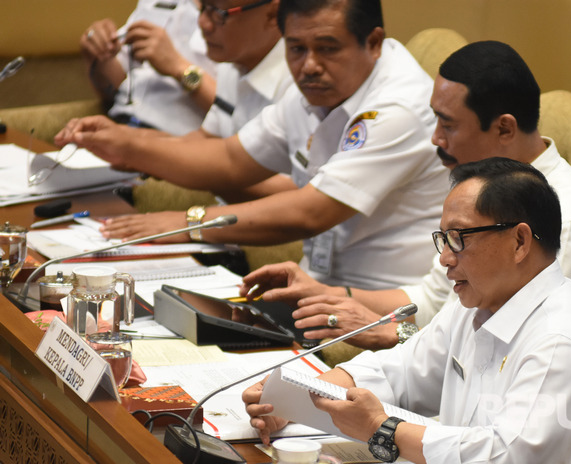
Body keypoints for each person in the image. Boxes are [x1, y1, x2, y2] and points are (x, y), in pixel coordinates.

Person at [243, 158, 571, 464]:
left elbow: (507, 460)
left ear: (519, 242)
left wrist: (384, 429)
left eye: (459, 238)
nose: (446, 257)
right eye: (443, 238)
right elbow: (400, 373)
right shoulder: (476, 303)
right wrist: (291, 400)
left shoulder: (562, 338)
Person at [238, 40, 571, 349]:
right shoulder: (483, 190)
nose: (435, 139)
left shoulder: (565, 220)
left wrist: (390, 333)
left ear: (505, 129)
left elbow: (495, 347)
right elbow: (431, 301)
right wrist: (325, 293)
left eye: (448, 125)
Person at [56, 0, 446, 291]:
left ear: (373, 42)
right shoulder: (318, 89)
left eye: (327, 48)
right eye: (296, 49)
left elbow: (309, 212)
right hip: (314, 285)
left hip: (378, 307)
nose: (308, 65)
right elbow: (228, 159)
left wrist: (188, 222)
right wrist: (126, 144)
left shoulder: (399, 106)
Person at [85, 0, 294, 203]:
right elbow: (207, 140)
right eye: (202, 7)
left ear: (272, 15)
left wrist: (191, 223)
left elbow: (293, 195)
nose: (203, 23)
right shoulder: (233, 63)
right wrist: (130, 141)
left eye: (219, 13)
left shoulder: (299, 80)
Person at [81, 0, 218, 133]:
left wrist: (179, 67)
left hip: (179, 143)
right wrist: (99, 53)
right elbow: (116, 89)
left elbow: (234, 119)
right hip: (120, 126)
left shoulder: (232, 14)